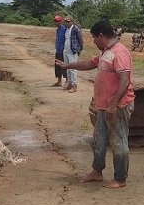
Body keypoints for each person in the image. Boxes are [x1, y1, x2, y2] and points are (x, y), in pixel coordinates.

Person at [56, 19, 135, 189]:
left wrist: (114, 103)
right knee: (98, 140)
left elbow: (125, 80)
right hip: (103, 106)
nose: (93, 41)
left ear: (101, 35)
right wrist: (67, 65)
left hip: (117, 106)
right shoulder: (106, 52)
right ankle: (97, 171)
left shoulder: (119, 52)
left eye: (94, 38)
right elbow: (89, 64)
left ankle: (120, 178)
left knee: (118, 142)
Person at [62, 16, 83, 93]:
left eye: (68, 21)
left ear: (71, 21)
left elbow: (80, 40)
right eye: (66, 22)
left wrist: (79, 50)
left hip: (72, 51)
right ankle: (70, 83)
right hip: (66, 51)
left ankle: (74, 85)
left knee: (73, 69)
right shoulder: (66, 29)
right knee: (67, 68)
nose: (67, 23)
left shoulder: (75, 28)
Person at [52, 15, 66, 87]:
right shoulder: (58, 29)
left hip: (63, 50)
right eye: (55, 21)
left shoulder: (64, 29)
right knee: (57, 66)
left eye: (57, 21)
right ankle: (59, 81)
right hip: (58, 50)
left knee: (63, 66)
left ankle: (66, 81)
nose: (56, 23)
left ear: (61, 21)